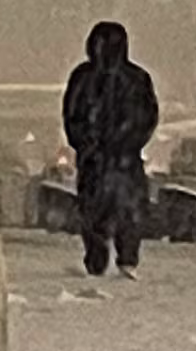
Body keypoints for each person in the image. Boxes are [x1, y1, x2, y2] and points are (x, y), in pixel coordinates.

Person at [60, 18, 159, 279]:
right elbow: (72, 116)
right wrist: (86, 143)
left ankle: (125, 257)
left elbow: (147, 118)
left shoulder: (135, 79)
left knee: (126, 210)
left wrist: (125, 143)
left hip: (119, 158)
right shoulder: (86, 78)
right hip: (101, 159)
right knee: (97, 210)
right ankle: (99, 258)